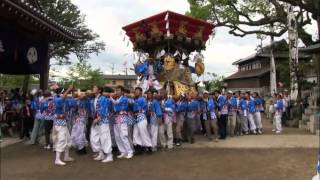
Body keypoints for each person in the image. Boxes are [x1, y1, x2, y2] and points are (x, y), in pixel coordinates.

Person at [52, 85, 74, 166]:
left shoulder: (65, 100)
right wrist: (68, 89)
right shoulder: (56, 99)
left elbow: (72, 104)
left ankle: (66, 156)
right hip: (59, 123)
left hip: (63, 122)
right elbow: (60, 101)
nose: (66, 94)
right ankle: (57, 159)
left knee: (68, 140)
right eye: (64, 92)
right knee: (61, 140)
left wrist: (73, 94)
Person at [91, 86, 114, 163]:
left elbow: (104, 109)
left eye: (94, 88)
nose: (92, 89)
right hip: (96, 121)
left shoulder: (103, 98)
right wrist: (95, 119)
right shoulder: (95, 99)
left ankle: (109, 155)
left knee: (105, 138)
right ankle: (101, 153)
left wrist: (98, 118)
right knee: (94, 138)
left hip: (103, 121)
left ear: (99, 90)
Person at [113, 85, 134, 159]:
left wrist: (115, 104)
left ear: (122, 92)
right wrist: (116, 105)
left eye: (118, 90)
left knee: (123, 135)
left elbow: (122, 108)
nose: (117, 92)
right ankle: (123, 151)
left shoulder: (124, 99)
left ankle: (130, 151)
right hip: (116, 118)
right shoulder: (117, 99)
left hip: (123, 118)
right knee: (117, 136)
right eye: (116, 90)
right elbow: (116, 108)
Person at [133, 87, 153, 153]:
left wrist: (132, 102)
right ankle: (139, 147)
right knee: (135, 134)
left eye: (137, 91)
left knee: (143, 133)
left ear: (141, 92)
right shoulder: (136, 99)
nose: (136, 92)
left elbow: (137, 108)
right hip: (136, 118)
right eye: (135, 91)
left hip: (141, 117)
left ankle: (149, 147)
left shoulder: (142, 99)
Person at [71, 91, 88, 155]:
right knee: (75, 134)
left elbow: (86, 98)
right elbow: (74, 109)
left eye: (82, 94)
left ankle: (82, 149)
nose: (81, 95)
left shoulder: (86, 101)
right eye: (80, 94)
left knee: (80, 134)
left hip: (82, 119)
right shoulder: (77, 101)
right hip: (77, 119)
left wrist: (82, 97)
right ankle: (80, 147)